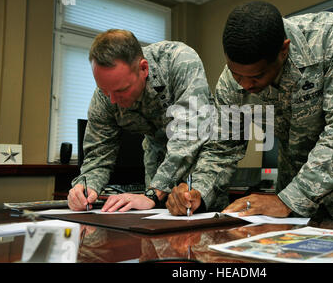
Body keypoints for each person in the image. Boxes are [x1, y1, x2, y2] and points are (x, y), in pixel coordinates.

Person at [214, 1, 333, 229]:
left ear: (283, 50)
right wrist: (197, 190)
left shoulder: (332, 36)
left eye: (257, 76)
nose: (245, 85)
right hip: (295, 201)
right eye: (236, 75)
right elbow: (221, 148)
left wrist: (289, 199)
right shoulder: (229, 83)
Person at [68, 29, 240, 214]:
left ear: (143, 68)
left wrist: (153, 193)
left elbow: (191, 131)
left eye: (121, 90)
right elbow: (98, 154)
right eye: (104, 91)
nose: (112, 100)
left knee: (201, 225)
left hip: (203, 160)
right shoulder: (105, 98)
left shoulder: (178, 60)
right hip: (157, 162)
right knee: (154, 225)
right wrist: (85, 188)